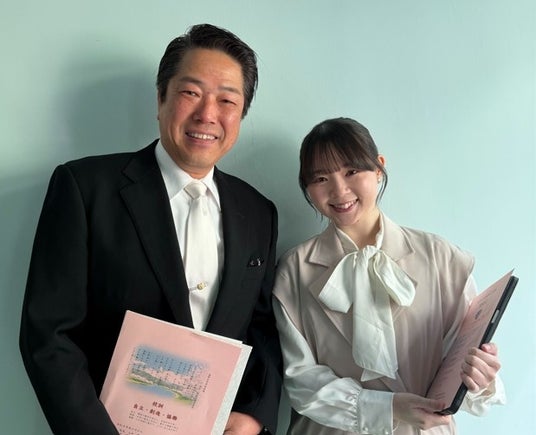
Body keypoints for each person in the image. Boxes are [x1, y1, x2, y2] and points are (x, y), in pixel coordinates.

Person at [20, 23, 281, 435]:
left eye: (227, 100)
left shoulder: (259, 212)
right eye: (191, 92)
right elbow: (49, 334)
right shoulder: (85, 188)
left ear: (241, 113)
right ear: (160, 98)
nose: (207, 114)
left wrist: (254, 415)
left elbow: (262, 328)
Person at [272, 117, 505, 434]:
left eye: (351, 172)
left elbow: (461, 359)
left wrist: (481, 379)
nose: (339, 190)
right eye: (321, 178)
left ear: (378, 169)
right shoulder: (294, 270)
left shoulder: (441, 258)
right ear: (308, 189)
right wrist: (386, 408)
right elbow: (300, 380)